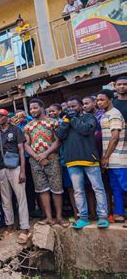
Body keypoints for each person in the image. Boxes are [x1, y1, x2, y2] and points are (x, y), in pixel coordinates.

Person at [55, 96, 109, 229]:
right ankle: (83, 217)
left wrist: (72, 119)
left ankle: (103, 217)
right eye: (68, 107)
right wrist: (67, 121)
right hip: (72, 161)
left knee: (98, 188)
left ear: (80, 106)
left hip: (89, 159)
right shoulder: (65, 121)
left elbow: (85, 130)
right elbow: (59, 135)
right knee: (78, 191)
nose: (71, 109)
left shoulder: (90, 117)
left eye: (74, 106)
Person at [24, 99, 67, 227]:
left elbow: (58, 141)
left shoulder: (53, 123)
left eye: (35, 108)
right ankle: (48, 217)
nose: (33, 111)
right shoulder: (28, 126)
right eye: (31, 109)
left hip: (52, 158)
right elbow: (26, 144)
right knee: (42, 189)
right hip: (36, 161)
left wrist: (46, 154)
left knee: (57, 189)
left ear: (42, 108)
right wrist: (37, 157)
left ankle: (59, 217)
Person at [0, 109, 30, 244]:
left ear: (7, 117)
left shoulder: (16, 130)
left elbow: (21, 150)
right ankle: (10, 225)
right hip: (1, 167)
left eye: (0, 116)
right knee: (6, 199)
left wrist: (23, 171)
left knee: (21, 197)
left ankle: (25, 227)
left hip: (15, 166)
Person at [97, 89, 126, 225]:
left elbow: (115, 137)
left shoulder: (114, 114)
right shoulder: (105, 115)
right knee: (116, 187)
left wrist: (105, 157)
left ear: (110, 99)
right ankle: (119, 214)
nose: (99, 102)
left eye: (102, 99)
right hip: (112, 159)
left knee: (124, 186)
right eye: (97, 100)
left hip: (119, 158)